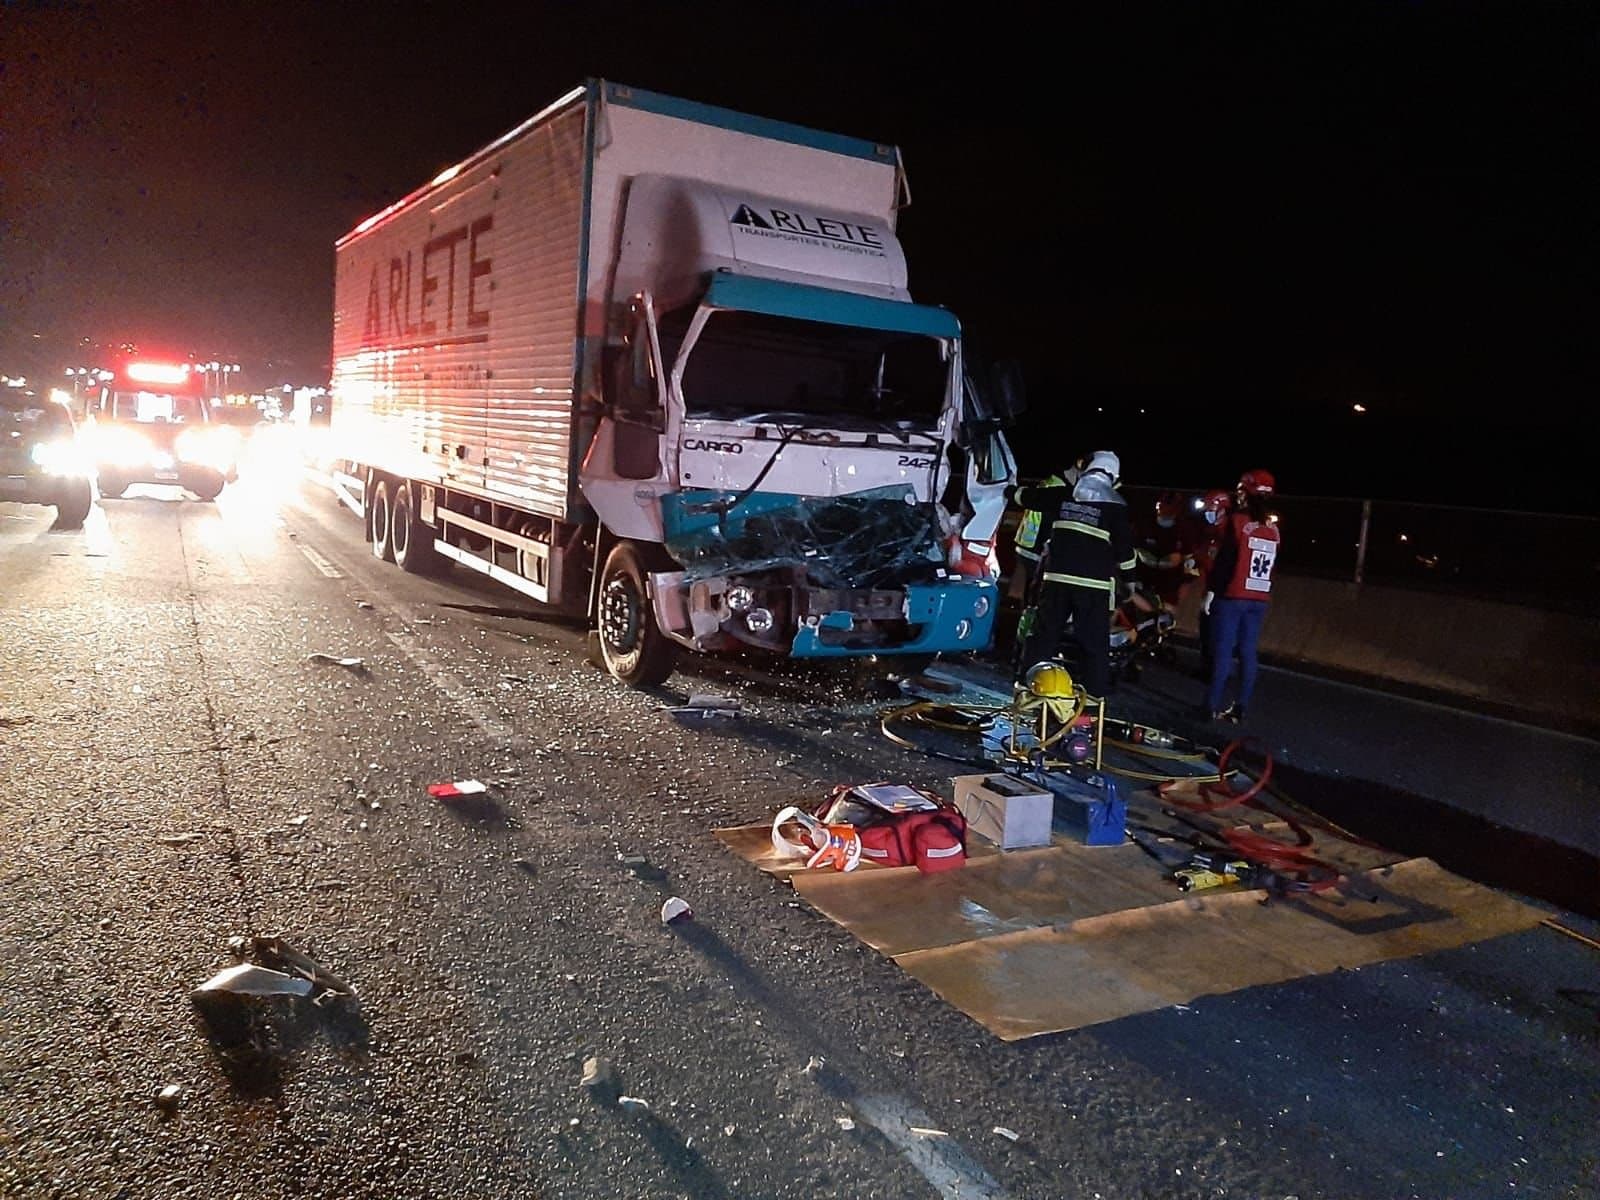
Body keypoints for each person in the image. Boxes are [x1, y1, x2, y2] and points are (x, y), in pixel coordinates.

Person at [1006, 450, 1136, 705]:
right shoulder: (1116, 507)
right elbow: (1125, 551)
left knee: (1044, 636)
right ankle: (1093, 699)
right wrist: (1129, 582)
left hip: (1056, 581)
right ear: (1113, 475)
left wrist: (1008, 490)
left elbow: (1027, 497)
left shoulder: (1064, 495)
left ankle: (1027, 688)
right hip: (1094, 587)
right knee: (1094, 644)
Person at [1202, 469, 1281, 722]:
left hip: (1233, 595)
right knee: (1248, 651)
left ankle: (1210, 706)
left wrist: (1212, 592)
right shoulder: (1273, 529)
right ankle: (1241, 707)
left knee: (1223, 651)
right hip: (1259, 598)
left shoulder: (1236, 522)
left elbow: (1225, 560)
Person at [1190, 487, 1232, 677]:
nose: (1207, 514)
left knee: (1215, 632)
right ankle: (1207, 667)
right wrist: (1195, 557)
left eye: (1210, 509)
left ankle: (1215, 671)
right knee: (1207, 630)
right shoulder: (1212, 531)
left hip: (1220, 590)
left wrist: (1213, 591)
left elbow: (1222, 563)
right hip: (1209, 587)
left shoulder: (1227, 533)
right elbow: (1205, 551)